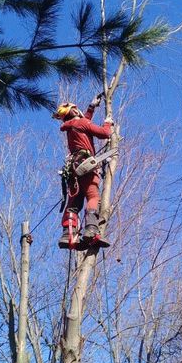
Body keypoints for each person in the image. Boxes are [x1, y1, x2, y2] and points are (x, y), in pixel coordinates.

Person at [52, 96, 113, 249]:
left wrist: (91, 107)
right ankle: (91, 229)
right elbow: (105, 133)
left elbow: (84, 123)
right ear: (74, 110)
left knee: (74, 204)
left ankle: (67, 234)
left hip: (72, 169)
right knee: (93, 196)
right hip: (86, 166)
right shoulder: (82, 123)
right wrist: (108, 123)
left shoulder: (72, 126)